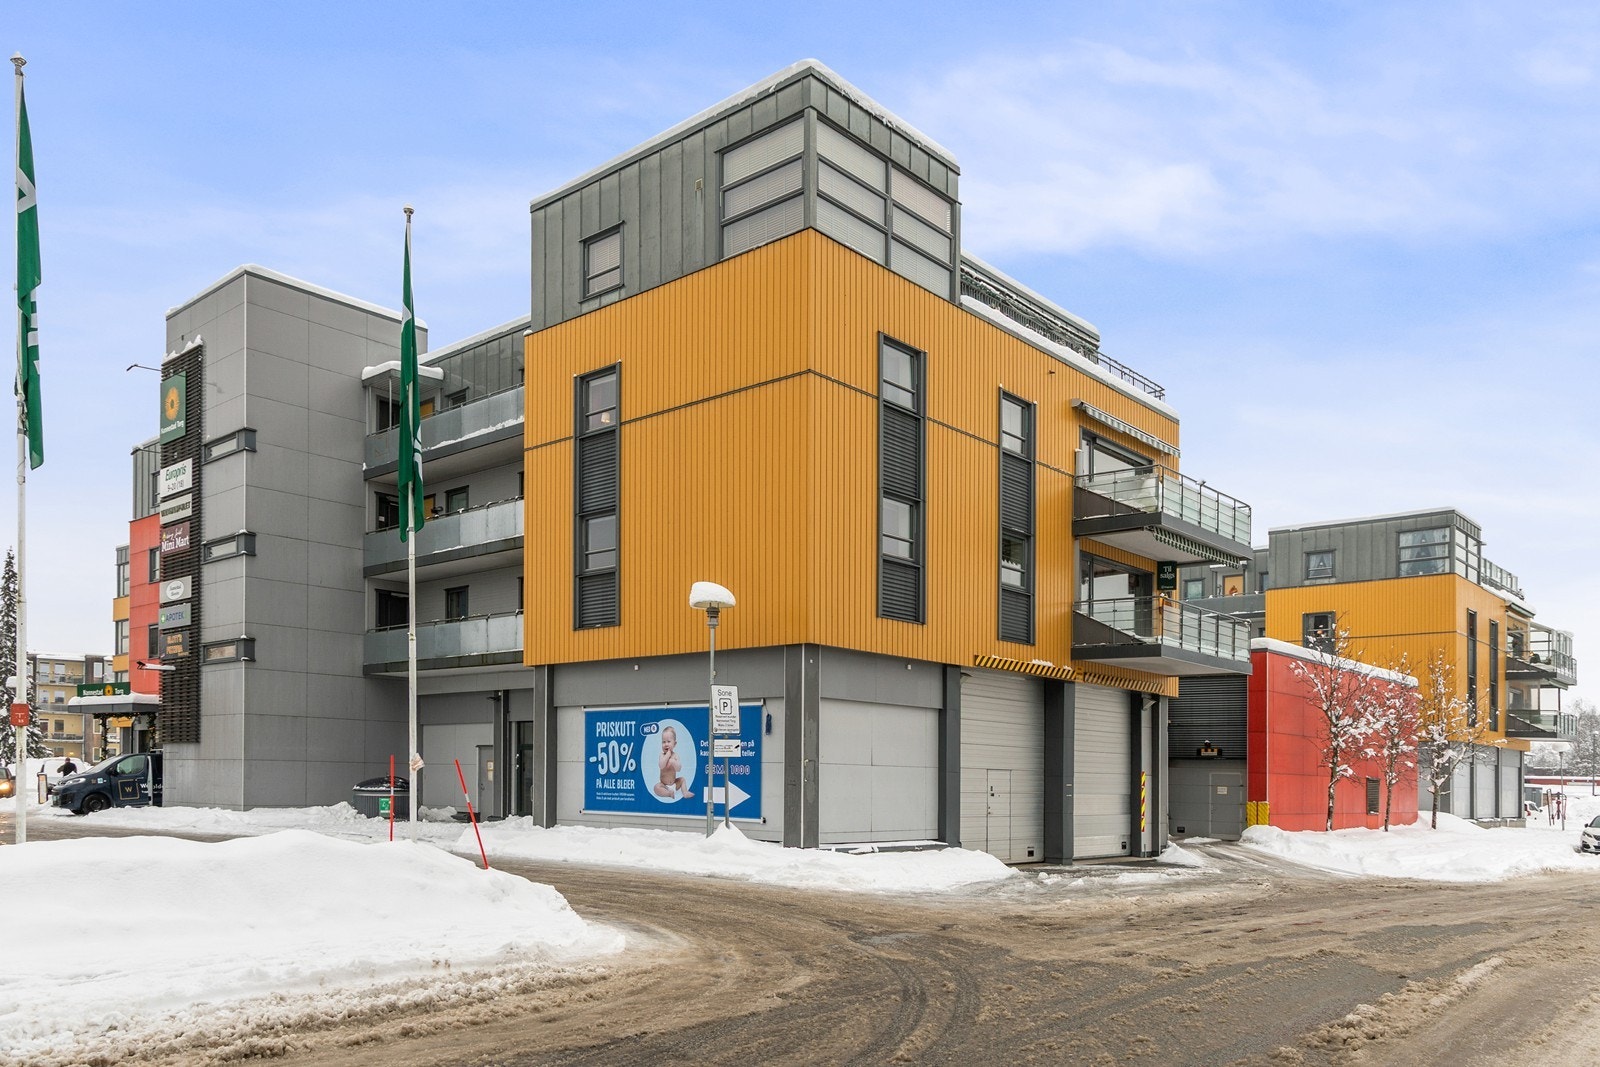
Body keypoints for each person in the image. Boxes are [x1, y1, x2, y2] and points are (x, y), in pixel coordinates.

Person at [652, 724, 693, 800]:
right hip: (664, 785)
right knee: (656, 787)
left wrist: (673, 761)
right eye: (663, 742)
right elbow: (661, 765)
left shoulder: (675, 756)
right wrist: (667, 755)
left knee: (682, 779)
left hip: (675, 784)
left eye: (668, 741)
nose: (666, 744)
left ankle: (685, 792)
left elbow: (679, 769)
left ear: (674, 744)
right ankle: (668, 793)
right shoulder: (662, 755)